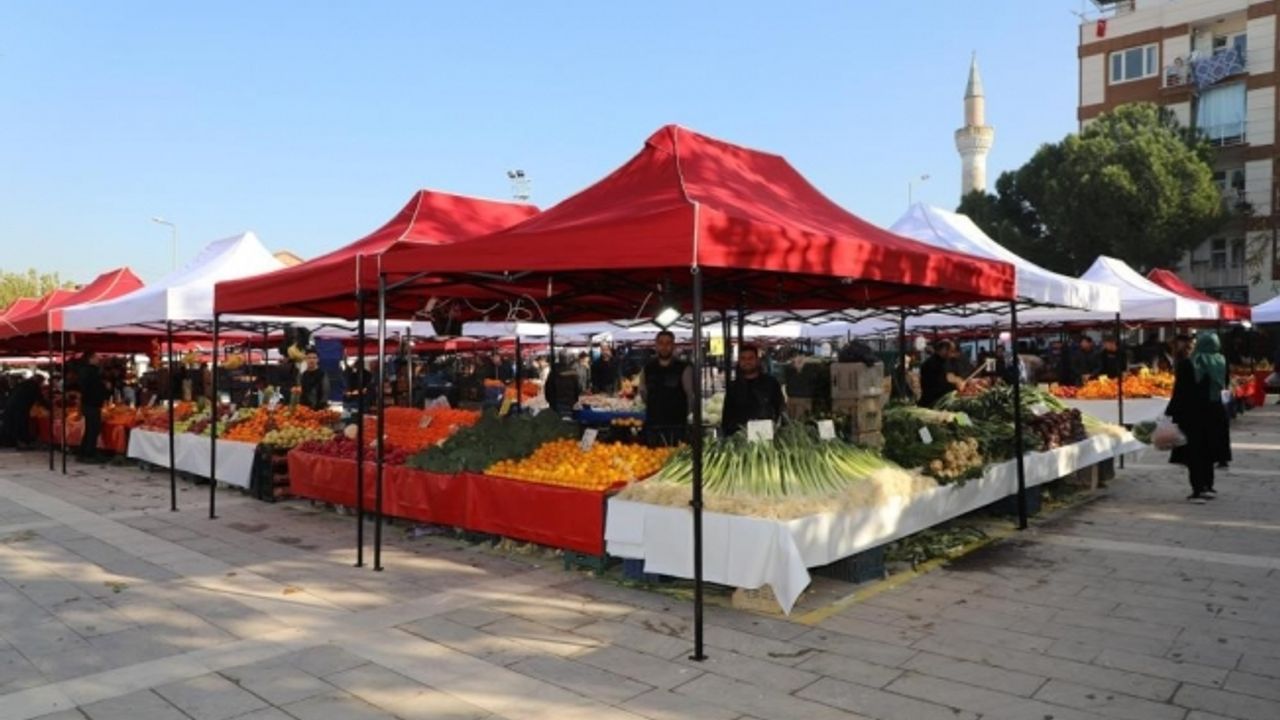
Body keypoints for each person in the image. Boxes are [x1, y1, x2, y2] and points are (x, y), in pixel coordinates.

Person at [1166, 332, 1231, 503]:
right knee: (1209, 450)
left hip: (1192, 414)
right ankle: (1208, 485)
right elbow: (1225, 385)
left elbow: (1180, 391)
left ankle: (1198, 489)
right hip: (1215, 412)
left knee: (1194, 451)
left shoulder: (1188, 363)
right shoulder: (1221, 362)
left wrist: (1171, 412)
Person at [638, 330, 693, 446]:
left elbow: (690, 395)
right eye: (661, 343)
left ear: (673, 345)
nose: (664, 347)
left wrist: (685, 417)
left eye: (668, 343)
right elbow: (642, 391)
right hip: (653, 425)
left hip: (676, 426)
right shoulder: (648, 368)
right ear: (656, 345)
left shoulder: (684, 367)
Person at [721, 345, 786, 436]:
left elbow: (780, 409)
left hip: (766, 436)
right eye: (743, 358)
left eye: (750, 358)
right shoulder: (733, 387)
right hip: (739, 438)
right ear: (739, 362)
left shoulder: (771, 383)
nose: (747, 361)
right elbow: (727, 416)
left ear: (757, 361)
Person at [1, 374, 48, 449]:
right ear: (38, 380)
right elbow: (40, 399)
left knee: (16, 424)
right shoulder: (34, 385)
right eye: (41, 382)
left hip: (12, 406)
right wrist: (49, 407)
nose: (41, 383)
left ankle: (18, 442)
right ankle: (22, 442)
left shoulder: (23, 384)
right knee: (21, 424)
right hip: (20, 408)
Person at [78, 352, 107, 462]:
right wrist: (104, 387)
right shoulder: (91, 371)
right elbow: (93, 387)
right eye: (96, 357)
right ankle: (89, 453)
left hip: (89, 403)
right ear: (90, 359)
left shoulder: (86, 371)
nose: (98, 359)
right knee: (93, 428)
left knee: (90, 428)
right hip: (92, 403)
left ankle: (84, 451)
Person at [918, 340, 965, 408]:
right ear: (944, 349)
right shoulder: (931, 364)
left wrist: (957, 379)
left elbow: (949, 375)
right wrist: (955, 384)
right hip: (933, 402)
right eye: (951, 351)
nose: (952, 354)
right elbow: (939, 383)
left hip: (942, 399)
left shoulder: (944, 361)